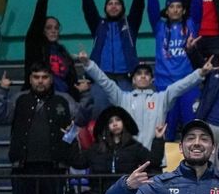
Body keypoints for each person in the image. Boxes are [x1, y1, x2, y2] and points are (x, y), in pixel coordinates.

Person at [8, 63, 79, 194]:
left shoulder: (62, 101)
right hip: (23, 167)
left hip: (54, 167)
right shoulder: (19, 100)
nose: (40, 81)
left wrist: (70, 139)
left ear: (51, 79)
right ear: (30, 79)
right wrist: (2, 91)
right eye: (36, 77)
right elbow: (1, 116)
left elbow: (77, 123)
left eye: (45, 77)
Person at [79, 50, 208, 150]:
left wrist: (200, 73)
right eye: (139, 74)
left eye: (146, 74)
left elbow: (181, 86)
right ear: (133, 80)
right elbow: (105, 82)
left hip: (155, 157)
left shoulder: (161, 98)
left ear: (152, 80)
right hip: (130, 156)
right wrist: (88, 64)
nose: (142, 76)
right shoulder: (122, 98)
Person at [146, 0, 203, 135]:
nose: (176, 10)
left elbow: (197, 5)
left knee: (192, 129)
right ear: (167, 11)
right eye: (172, 7)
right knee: (166, 131)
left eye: (179, 7)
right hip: (165, 85)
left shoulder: (192, 24)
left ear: (184, 10)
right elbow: (152, 7)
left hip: (189, 84)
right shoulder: (159, 27)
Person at [79, 0, 145, 104]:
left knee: (126, 113)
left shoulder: (130, 24)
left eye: (117, 3)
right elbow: (88, 7)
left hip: (125, 79)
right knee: (100, 114)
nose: (114, 6)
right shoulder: (98, 24)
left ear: (123, 8)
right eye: (110, 3)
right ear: (105, 8)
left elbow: (138, 6)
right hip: (101, 79)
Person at [24, 0, 81, 96]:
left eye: (56, 28)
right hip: (42, 96)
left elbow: (72, 79)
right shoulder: (36, 46)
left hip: (65, 98)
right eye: (49, 28)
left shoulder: (63, 51)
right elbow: (37, 20)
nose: (53, 31)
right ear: (42, 31)